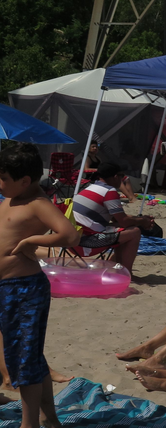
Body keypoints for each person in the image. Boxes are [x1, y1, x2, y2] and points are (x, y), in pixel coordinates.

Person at [0, 143, 80, 428]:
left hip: (22, 288)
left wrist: (32, 241)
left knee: (25, 359)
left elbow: (70, 236)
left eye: (3, 178)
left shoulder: (38, 203)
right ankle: (49, 418)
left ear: (24, 181)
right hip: (6, 288)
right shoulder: (11, 197)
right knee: (28, 354)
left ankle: (29, 423)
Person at [72, 162, 154, 275]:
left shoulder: (90, 188)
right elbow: (124, 221)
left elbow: (119, 219)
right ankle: (126, 273)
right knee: (134, 232)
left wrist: (140, 219)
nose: (122, 179)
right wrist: (143, 221)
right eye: (121, 176)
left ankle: (117, 267)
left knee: (123, 228)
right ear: (115, 176)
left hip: (73, 239)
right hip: (87, 243)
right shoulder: (109, 192)